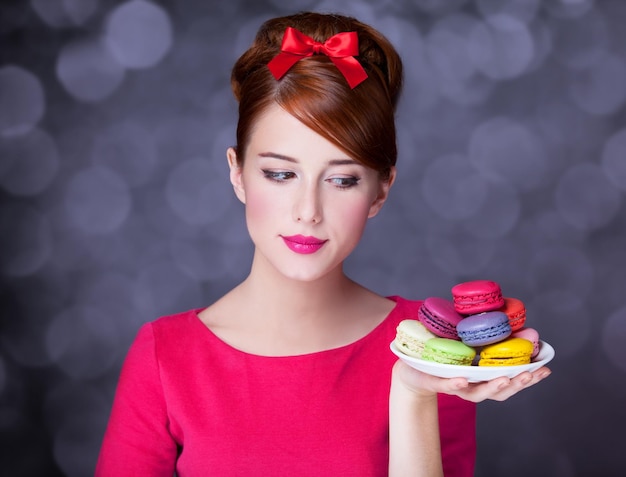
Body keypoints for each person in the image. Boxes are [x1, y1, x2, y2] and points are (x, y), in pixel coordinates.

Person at [95, 11, 551, 477]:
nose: (307, 210)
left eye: (341, 179)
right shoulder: (164, 357)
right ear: (237, 174)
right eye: (280, 173)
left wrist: (414, 392)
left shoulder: (432, 349)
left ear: (381, 189)